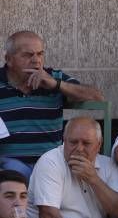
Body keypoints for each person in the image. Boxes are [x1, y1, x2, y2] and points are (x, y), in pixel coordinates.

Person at [0, 30, 102, 177]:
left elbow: (97, 97)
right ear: (8, 59)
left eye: (40, 54)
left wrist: (56, 84)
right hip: (9, 166)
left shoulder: (53, 77)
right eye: (28, 55)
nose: (36, 60)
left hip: (50, 164)